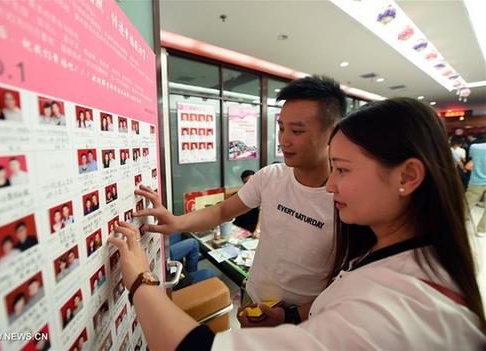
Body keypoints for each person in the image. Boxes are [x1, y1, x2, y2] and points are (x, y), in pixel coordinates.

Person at [108, 97, 486, 350]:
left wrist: (141, 277)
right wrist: (293, 313)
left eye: (343, 169)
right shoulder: (388, 248)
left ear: (407, 177)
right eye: (281, 129)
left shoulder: (384, 314)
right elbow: (224, 211)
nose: (332, 185)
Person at [134, 76, 344, 320]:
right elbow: (222, 212)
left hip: (302, 320)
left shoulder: (345, 198)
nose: (284, 139)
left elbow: (347, 286)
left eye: (296, 130)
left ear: (332, 134)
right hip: (252, 298)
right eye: (282, 127)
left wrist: (291, 316)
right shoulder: (270, 177)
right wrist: (176, 221)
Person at [465, 136, 486, 236]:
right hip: (477, 180)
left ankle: (459, 223)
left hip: (476, 180)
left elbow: (470, 162)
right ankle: (482, 230)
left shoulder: (475, 147)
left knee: (467, 204)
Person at [232, 170, 260, 234]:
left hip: (253, 229)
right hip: (238, 227)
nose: (249, 184)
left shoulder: (262, 196)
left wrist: (257, 230)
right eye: (246, 182)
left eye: (251, 181)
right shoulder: (238, 195)